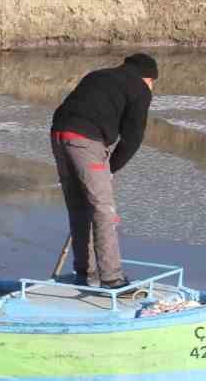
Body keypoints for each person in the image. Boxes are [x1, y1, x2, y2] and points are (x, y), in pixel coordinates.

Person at [50, 53, 157, 289]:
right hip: (85, 141)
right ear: (148, 78)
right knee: (103, 210)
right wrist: (111, 166)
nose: (152, 88)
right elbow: (133, 138)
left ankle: (86, 274)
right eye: (153, 84)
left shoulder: (98, 75)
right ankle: (112, 278)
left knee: (79, 207)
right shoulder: (139, 88)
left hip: (59, 135)